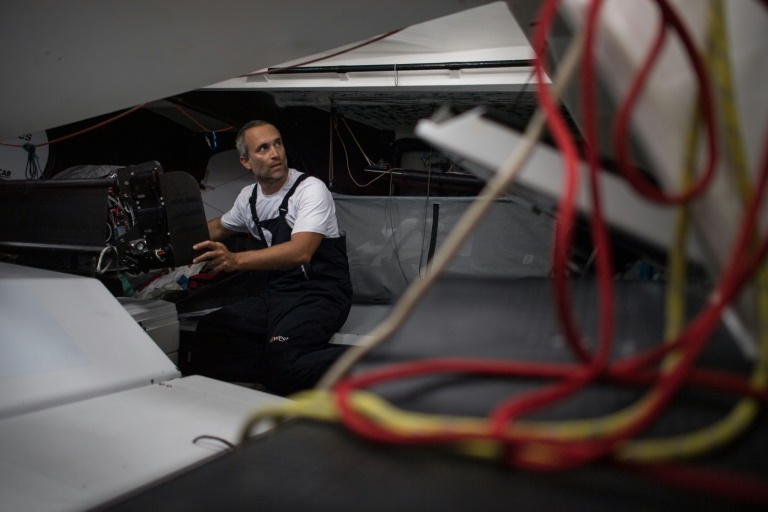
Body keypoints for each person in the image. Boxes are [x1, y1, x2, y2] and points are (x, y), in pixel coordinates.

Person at [189, 120, 352, 395]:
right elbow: (218, 228)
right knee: (212, 330)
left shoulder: (310, 189)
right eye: (263, 148)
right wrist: (171, 243)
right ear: (246, 161)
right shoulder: (249, 198)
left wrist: (235, 260)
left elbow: (301, 251)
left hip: (319, 293)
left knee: (285, 364)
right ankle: (268, 379)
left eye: (277, 143)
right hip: (279, 292)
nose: (275, 154)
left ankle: (380, 361)